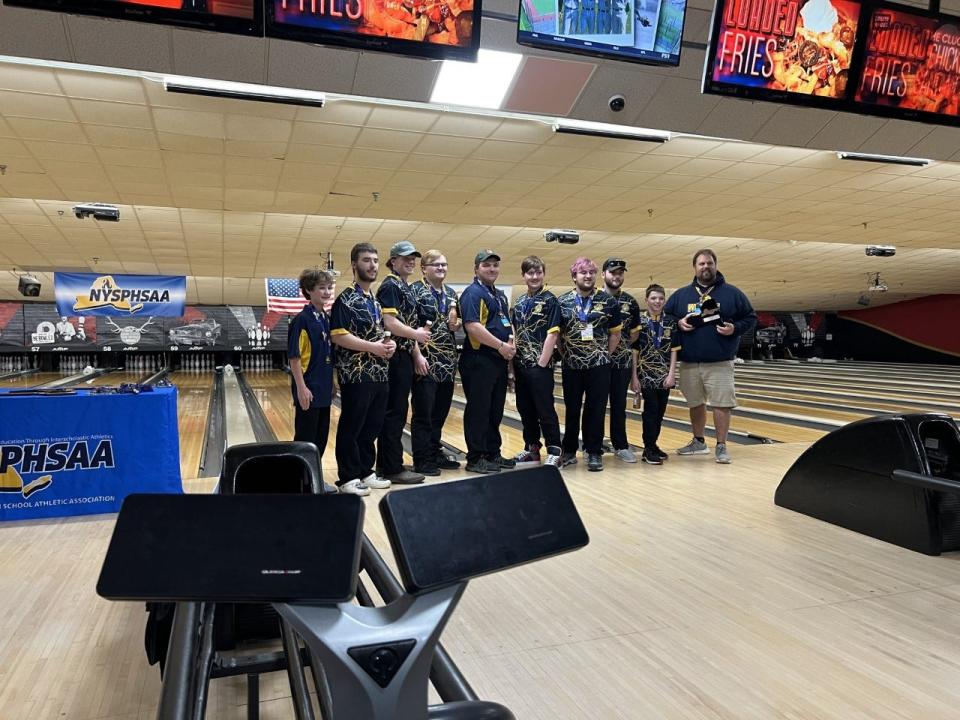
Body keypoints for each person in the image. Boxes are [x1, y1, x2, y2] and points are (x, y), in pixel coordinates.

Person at [664, 248, 756, 464]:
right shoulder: (681, 295)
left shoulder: (732, 293)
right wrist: (678, 323)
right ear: (695, 267)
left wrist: (734, 328)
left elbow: (750, 318)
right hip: (689, 361)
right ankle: (699, 441)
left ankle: (721, 446)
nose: (705, 267)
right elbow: (667, 316)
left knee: (721, 404)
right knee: (695, 403)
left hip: (720, 361)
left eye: (709, 263)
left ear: (716, 265)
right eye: (701, 264)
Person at [330, 243, 397, 495]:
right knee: (352, 426)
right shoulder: (346, 299)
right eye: (366, 260)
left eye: (376, 260)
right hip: (356, 375)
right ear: (354, 265)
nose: (372, 265)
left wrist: (386, 347)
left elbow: (378, 336)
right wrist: (373, 347)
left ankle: (366, 472)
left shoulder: (374, 302)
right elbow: (338, 335)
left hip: (379, 373)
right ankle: (347, 477)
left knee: (372, 427)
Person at [556, 257, 622, 472]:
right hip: (571, 365)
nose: (588, 276)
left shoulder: (608, 302)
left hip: (599, 365)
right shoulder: (562, 301)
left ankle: (594, 452)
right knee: (572, 409)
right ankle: (569, 450)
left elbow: (616, 333)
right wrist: (566, 354)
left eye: (591, 272)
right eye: (583, 272)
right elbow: (557, 335)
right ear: (574, 276)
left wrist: (603, 355)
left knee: (596, 409)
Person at [375, 241, 430, 485]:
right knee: (394, 413)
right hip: (394, 355)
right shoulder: (390, 286)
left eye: (413, 258)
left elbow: (407, 324)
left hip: (404, 354)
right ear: (393, 260)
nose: (411, 261)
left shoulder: (405, 287)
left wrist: (416, 352)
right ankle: (391, 467)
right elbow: (390, 322)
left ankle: (390, 463)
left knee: (398, 412)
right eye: (405, 258)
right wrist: (416, 336)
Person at [459, 250, 516, 474]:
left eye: (495, 265)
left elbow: (506, 324)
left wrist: (509, 351)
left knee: (494, 410)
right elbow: (473, 327)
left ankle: (493, 452)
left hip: (498, 360)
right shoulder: (473, 294)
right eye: (486, 265)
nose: (492, 269)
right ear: (476, 269)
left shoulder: (499, 295)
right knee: (479, 410)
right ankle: (476, 457)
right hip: (479, 359)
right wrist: (501, 346)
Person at [409, 250, 461, 475]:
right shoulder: (415, 291)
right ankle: (422, 459)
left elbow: (452, 324)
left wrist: (455, 325)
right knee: (424, 414)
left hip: (447, 363)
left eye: (444, 264)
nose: (441, 268)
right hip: (426, 363)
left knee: (439, 414)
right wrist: (417, 355)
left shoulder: (451, 294)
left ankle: (434, 452)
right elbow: (409, 328)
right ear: (424, 268)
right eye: (436, 265)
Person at [510, 256, 563, 467]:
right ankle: (531, 448)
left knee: (544, 408)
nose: (534, 276)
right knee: (525, 409)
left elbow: (553, 334)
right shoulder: (520, 302)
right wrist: (513, 367)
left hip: (540, 366)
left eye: (538, 272)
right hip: (521, 364)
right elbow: (514, 334)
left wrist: (542, 363)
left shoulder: (550, 300)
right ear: (523, 276)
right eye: (530, 273)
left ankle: (555, 450)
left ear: (543, 274)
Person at [288, 268, 336, 464]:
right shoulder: (302, 319)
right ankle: (299, 481)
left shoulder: (325, 318)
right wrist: (301, 388)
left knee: (321, 438)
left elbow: (327, 356)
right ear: (308, 290)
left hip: (324, 388)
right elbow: (294, 357)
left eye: (329, 288)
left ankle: (313, 478)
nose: (326, 292)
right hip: (308, 387)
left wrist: (332, 382)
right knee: (305, 439)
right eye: (321, 288)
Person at [631, 283, 679, 465]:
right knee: (650, 412)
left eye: (660, 298)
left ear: (664, 300)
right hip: (645, 375)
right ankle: (648, 448)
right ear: (646, 300)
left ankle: (653, 444)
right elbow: (634, 351)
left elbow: (674, 349)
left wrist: (672, 374)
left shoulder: (670, 322)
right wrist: (634, 377)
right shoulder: (640, 323)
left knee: (660, 412)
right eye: (653, 298)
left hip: (664, 375)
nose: (657, 301)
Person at [602, 258, 641, 463]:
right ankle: (594, 446)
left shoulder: (631, 302)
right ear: (603, 275)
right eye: (613, 272)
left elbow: (634, 335)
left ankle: (621, 445)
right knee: (596, 406)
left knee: (618, 406)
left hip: (622, 363)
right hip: (597, 363)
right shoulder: (594, 298)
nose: (616, 276)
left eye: (620, 273)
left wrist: (619, 347)